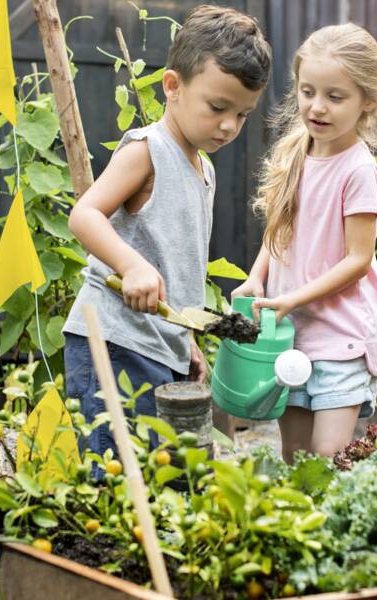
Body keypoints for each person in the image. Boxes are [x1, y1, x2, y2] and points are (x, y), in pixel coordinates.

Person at [62, 5, 271, 459]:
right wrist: (131, 264)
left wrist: (187, 339)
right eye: (217, 107)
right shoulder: (147, 150)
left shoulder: (205, 171)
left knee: (159, 474)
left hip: (162, 348)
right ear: (173, 86)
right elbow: (84, 215)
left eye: (243, 114)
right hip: (113, 341)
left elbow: (179, 264)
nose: (229, 126)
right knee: (116, 477)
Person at [232, 23, 377, 462]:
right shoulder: (296, 151)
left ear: (368, 102)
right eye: (307, 91)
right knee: (295, 454)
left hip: (341, 339)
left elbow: (359, 260)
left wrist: (291, 298)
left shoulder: (358, 171)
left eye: (335, 97)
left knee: (327, 457)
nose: (317, 107)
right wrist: (257, 277)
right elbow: (280, 225)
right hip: (289, 334)